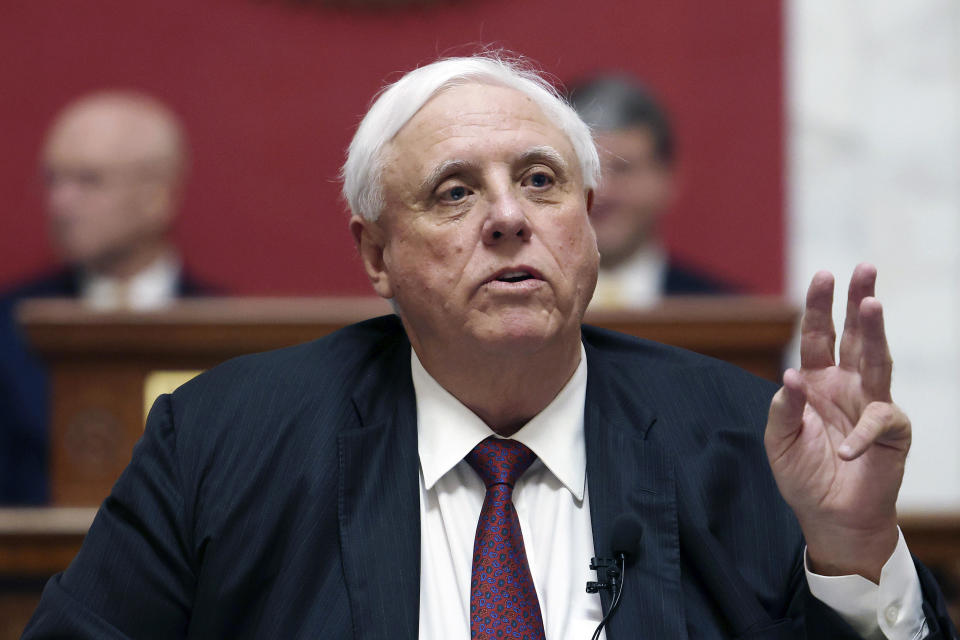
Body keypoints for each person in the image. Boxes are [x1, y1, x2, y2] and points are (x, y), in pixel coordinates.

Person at [23, 55, 956, 639]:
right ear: (376, 253)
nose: (509, 217)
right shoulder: (222, 442)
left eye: (540, 181)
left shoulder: (742, 441)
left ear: (588, 226)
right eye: (455, 192)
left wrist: (853, 549)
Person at [0, 91, 213, 505]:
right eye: (53, 180)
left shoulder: (226, 333)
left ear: (158, 196)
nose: (60, 203)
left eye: (88, 180)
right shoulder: (11, 324)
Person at [569, 74, 730, 308]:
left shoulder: (724, 317)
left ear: (666, 178)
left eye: (623, 168)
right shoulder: (516, 311)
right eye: (586, 169)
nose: (602, 190)